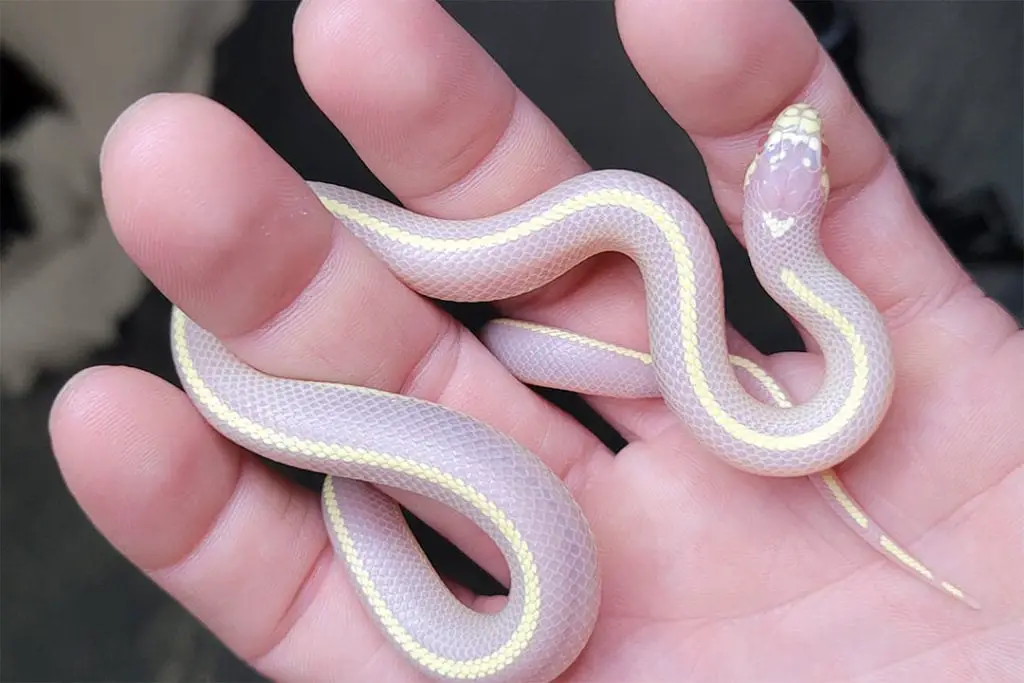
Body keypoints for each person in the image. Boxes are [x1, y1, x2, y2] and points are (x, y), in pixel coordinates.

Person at [48, 0, 1023, 680]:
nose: (792, 141)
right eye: (788, 151)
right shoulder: (703, 242)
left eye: (788, 160)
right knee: (295, 366)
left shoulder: (747, 263)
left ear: (789, 214)